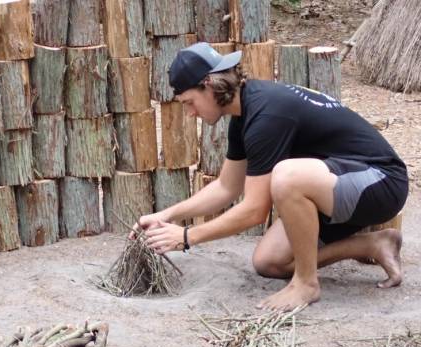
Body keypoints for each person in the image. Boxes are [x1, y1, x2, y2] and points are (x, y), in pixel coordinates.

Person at [133, 42, 408, 311]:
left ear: (209, 85)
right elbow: (227, 187)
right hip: (340, 187)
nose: (190, 112)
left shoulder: (267, 113)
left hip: (381, 181)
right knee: (270, 262)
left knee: (286, 176)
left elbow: (254, 210)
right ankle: (372, 244)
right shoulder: (244, 115)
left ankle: (306, 284)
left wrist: (187, 236)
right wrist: (166, 216)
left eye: (189, 102)